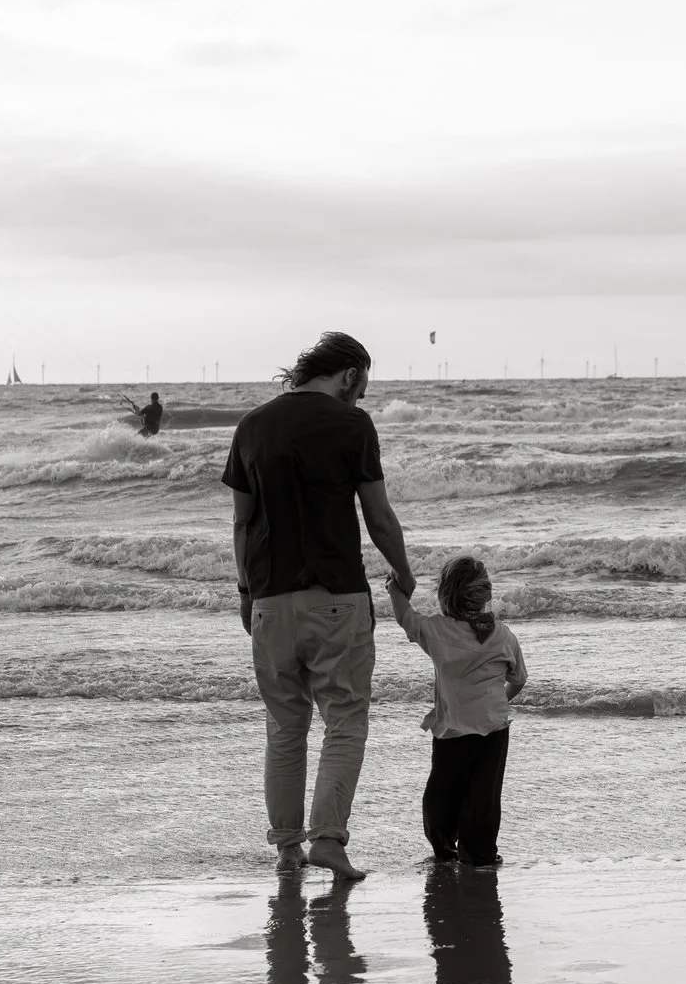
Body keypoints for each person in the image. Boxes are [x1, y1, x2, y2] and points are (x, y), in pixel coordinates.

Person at [222, 331, 414, 881]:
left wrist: (244, 591)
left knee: (285, 727)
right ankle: (328, 840)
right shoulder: (352, 425)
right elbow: (378, 516)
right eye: (363, 386)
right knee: (345, 721)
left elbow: (241, 521)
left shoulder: (252, 425)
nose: (361, 398)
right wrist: (402, 571)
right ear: (349, 374)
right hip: (337, 598)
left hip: (269, 602)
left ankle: (287, 848)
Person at [388, 554, 527, 865]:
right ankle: (480, 856)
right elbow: (518, 679)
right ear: (485, 596)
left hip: (452, 732)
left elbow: (404, 616)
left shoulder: (437, 632)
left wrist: (393, 588)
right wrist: (496, 702)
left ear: (446, 595)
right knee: (484, 798)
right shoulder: (503, 634)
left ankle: (444, 848)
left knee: (441, 797)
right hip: (493, 730)